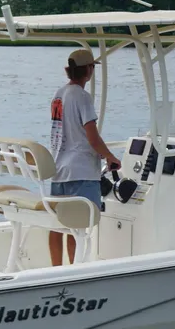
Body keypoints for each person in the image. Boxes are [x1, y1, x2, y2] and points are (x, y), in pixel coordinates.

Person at [48, 49, 121, 266]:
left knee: (58, 225)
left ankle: (57, 268)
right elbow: (92, 135)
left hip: (58, 168)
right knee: (79, 225)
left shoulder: (58, 95)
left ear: (67, 70)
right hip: (80, 170)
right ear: (88, 70)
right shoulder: (83, 97)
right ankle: (75, 267)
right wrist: (110, 157)